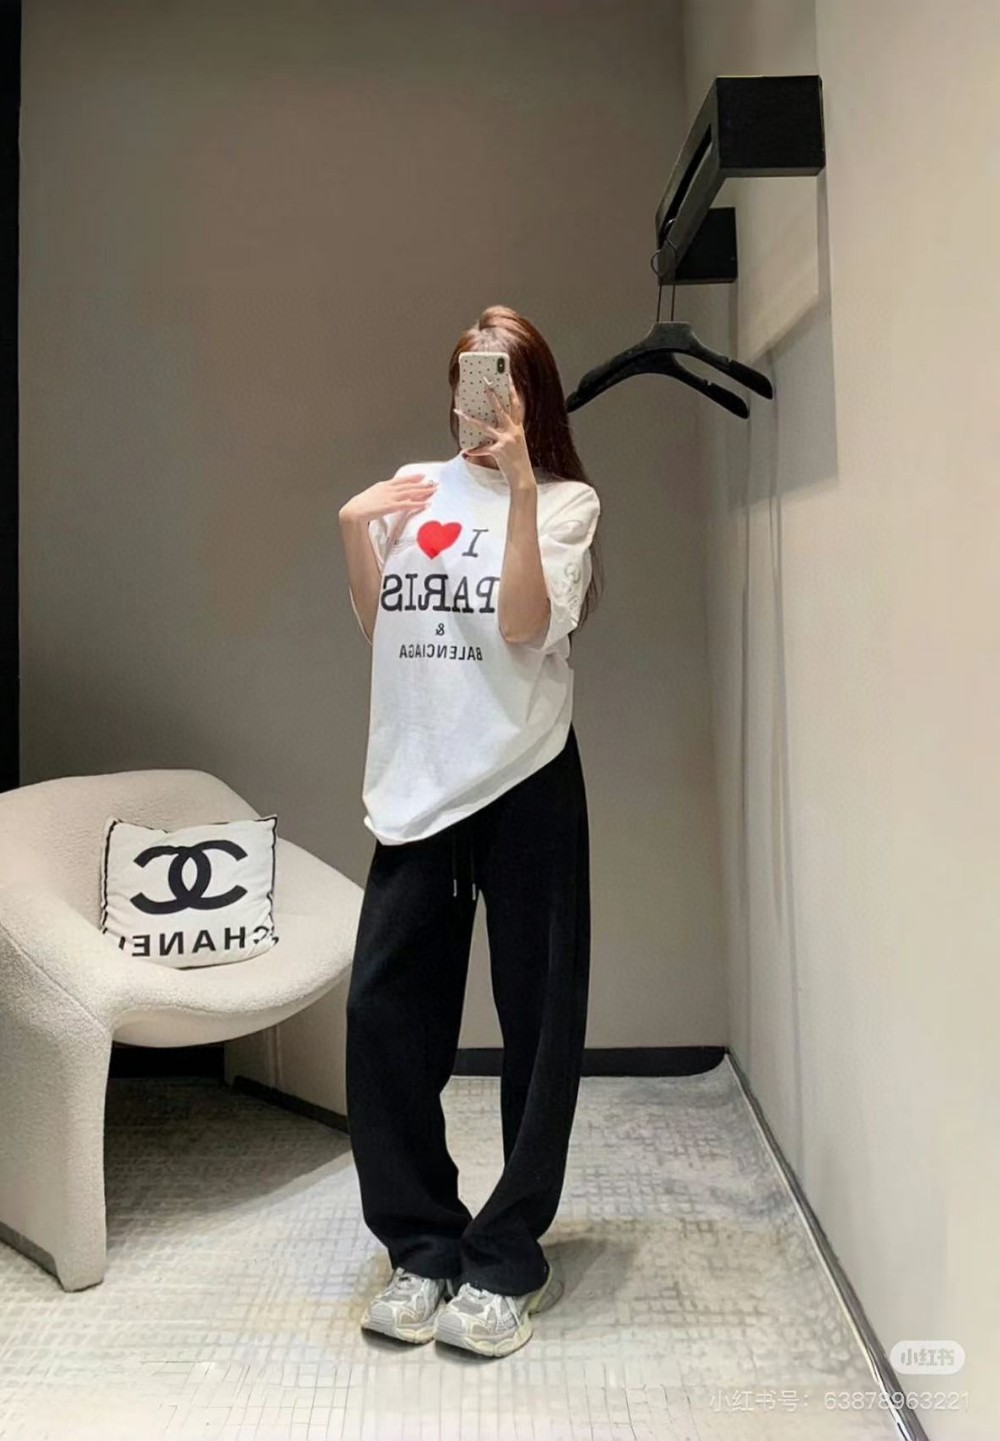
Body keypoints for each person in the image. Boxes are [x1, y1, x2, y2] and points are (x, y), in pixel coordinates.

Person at [337, 304, 603, 1358]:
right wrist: (354, 529)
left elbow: (525, 624)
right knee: (383, 1017)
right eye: (466, 381)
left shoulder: (569, 502)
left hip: (525, 775)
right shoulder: (414, 488)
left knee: (538, 1021)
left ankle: (507, 1259)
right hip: (420, 782)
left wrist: (525, 489)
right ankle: (421, 1245)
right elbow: (382, 627)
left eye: (499, 380)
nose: (477, 401)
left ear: (531, 395)